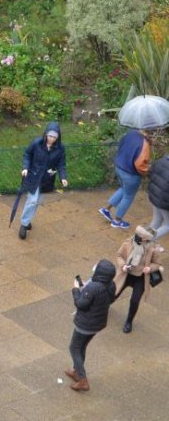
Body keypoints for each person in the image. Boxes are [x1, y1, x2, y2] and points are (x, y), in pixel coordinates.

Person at [65, 259, 117, 392]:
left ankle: (82, 380)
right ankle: (77, 372)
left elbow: (81, 304)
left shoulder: (93, 287)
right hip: (97, 323)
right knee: (82, 346)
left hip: (85, 324)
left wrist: (76, 289)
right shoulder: (111, 285)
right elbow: (110, 299)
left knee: (74, 348)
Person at [18, 121, 68, 239]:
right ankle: (24, 224)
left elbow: (61, 164)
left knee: (36, 202)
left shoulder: (60, 149)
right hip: (33, 176)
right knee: (32, 200)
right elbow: (27, 154)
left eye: (54, 137)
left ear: (58, 137)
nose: (51, 139)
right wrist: (25, 167)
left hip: (46, 179)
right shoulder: (36, 143)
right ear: (45, 134)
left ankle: (27, 220)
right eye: (50, 136)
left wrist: (63, 177)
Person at [113, 226, 164, 333]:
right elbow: (118, 256)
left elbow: (157, 264)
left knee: (135, 300)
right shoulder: (128, 242)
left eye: (140, 235)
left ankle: (129, 321)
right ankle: (102, 308)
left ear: (146, 238)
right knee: (114, 292)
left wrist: (150, 268)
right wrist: (123, 266)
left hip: (141, 277)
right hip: (126, 274)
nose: (136, 236)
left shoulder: (153, 248)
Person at [100, 127, 150, 230]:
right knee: (128, 196)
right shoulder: (144, 142)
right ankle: (117, 221)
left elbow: (122, 146)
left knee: (123, 189)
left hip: (119, 167)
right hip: (131, 174)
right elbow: (140, 164)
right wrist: (146, 172)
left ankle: (106, 209)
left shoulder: (130, 133)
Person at [148, 153, 169, 241]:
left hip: (154, 195)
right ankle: (145, 241)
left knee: (156, 220)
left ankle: (143, 241)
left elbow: (151, 173)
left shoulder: (161, 160)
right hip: (164, 201)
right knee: (167, 225)